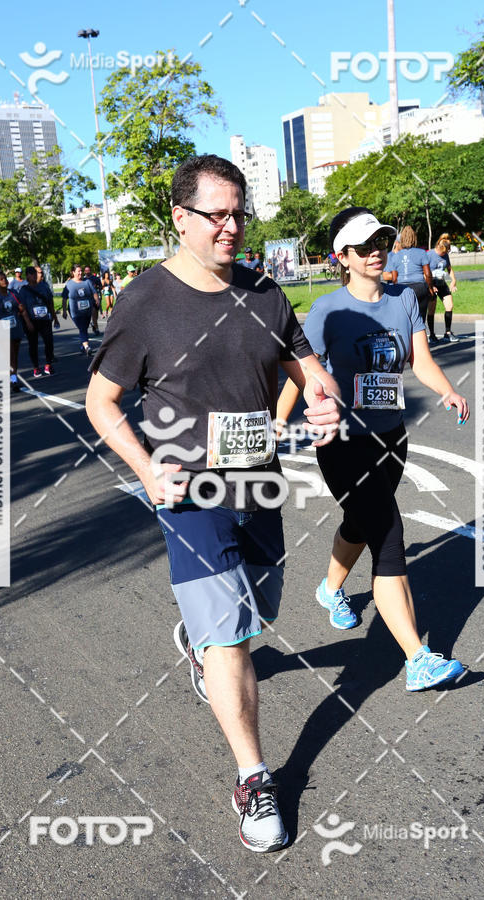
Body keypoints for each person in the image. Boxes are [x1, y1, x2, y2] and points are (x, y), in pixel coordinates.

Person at [86, 154, 340, 853]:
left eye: (239, 214)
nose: (231, 227)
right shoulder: (144, 302)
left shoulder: (266, 293)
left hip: (258, 483)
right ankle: (255, 778)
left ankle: (198, 645)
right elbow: (101, 401)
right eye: (216, 215)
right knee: (230, 636)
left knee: (258, 615)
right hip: (190, 496)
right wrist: (146, 469)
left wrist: (321, 402)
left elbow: (309, 372)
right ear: (180, 217)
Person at [277, 206, 469, 692]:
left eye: (380, 241)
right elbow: (303, 373)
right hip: (342, 441)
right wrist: (279, 419)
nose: (375, 251)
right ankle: (418, 658)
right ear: (342, 256)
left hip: (391, 437)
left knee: (360, 524)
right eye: (362, 247)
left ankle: (330, 589)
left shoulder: (403, 299)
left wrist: (447, 389)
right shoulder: (327, 311)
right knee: (388, 534)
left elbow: (420, 361)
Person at [0, 271, 32, 392]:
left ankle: (13, 376)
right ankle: (13, 380)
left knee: (14, 355)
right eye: (1, 279)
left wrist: (28, 322)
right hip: (2, 330)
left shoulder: (13, 293)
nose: (4, 281)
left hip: (15, 328)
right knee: (10, 354)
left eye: (5, 278)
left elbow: (21, 309)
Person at [389, 226, 435, 340]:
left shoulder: (395, 256)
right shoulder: (421, 253)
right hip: (419, 287)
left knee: (405, 318)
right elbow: (428, 274)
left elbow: (394, 278)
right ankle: (420, 343)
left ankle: (406, 344)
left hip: (402, 289)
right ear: (414, 238)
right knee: (420, 319)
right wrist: (430, 288)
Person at [20, 266, 56, 376]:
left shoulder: (44, 287)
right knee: (33, 345)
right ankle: (36, 367)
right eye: (32, 274)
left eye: (35, 273)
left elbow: (50, 302)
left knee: (49, 342)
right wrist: (28, 322)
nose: (34, 276)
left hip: (45, 319)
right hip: (32, 321)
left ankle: (48, 365)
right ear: (27, 276)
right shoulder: (24, 290)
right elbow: (22, 308)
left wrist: (54, 317)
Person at [427, 235, 459, 343]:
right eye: (443, 252)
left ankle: (447, 333)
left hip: (441, 283)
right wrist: (430, 286)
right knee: (432, 309)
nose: (444, 254)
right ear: (438, 247)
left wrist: (453, 281)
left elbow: (449, 269)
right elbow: (423, 272)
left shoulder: (445, 255)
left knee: (449, 305)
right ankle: (432, 335)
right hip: (431, 284)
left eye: (446, 252)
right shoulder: (429, 255)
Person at [62, 264, 98, 356]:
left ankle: (83, 346)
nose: (80, 273)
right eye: (78, 271)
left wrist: (97, 300)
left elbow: (94, 292)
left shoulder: (87, 282)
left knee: (84, 328)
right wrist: (64, 311)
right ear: (73, 272)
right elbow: (64, 298)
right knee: (82, 328)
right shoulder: (69, 284)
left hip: (87, 310)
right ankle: (87, 347)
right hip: (75, 311)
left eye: (81, 271)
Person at [84, 265, 103, 334]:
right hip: (86, 299)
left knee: (95, 314)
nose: (87, 272)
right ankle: (95, 327)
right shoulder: (83, 279)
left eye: (88, 270)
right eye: (86, 270)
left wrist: (96, 286)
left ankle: (95, 325)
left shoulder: (95, 278)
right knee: (88, 315)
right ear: (84, 271)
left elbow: (101, 287)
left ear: (90, 271)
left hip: (95, 298)